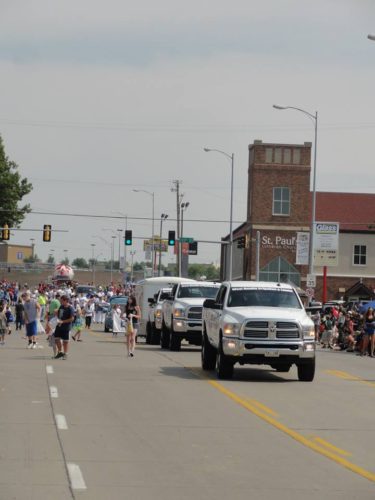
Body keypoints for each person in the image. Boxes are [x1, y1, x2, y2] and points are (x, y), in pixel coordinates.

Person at [54, 295, 75, 360]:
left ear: (66, 301)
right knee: (56, 338)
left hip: (66, 327)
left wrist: (63, 321)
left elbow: (72, 318)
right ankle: (60, 352)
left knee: (65, 341)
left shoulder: (70, 308)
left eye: (62, 301)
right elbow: (59, 315)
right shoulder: (61, 306)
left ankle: (65, 353)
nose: (60, 302)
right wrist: (56, 313)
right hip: (59, 325)